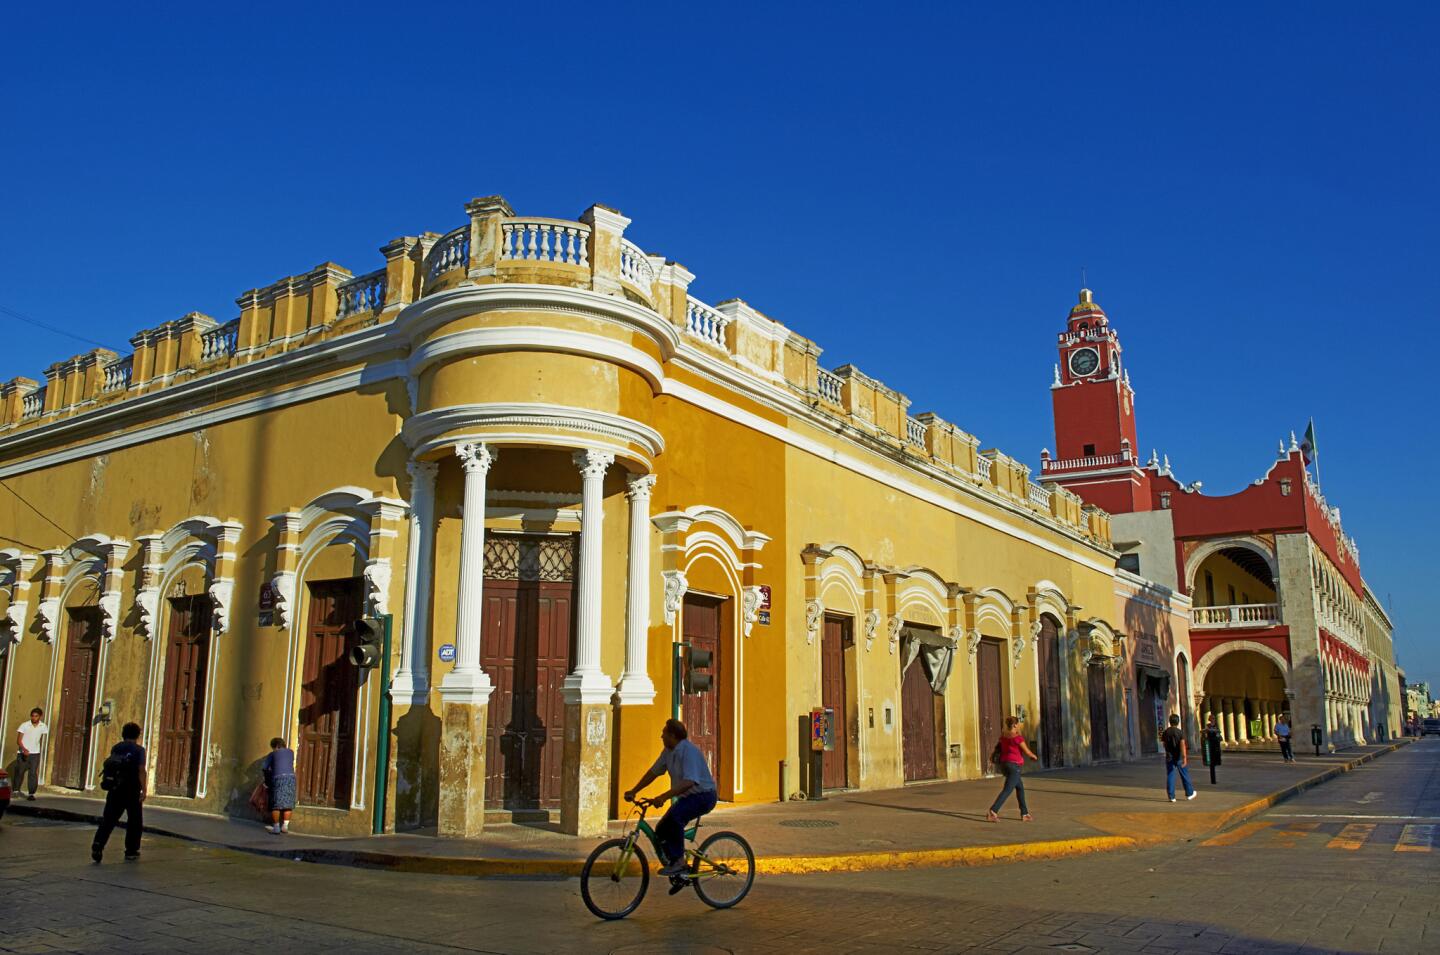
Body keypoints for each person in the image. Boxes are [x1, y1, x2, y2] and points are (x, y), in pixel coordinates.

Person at [623, 718, 717, 877]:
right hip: (688, 796)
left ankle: (679, 862)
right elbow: (653, 772)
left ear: (673, 736)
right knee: (661, 829)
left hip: (704, 796)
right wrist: (634, 790)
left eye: (664, 734)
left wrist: (663, 797)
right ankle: (674, 864)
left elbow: (690, 782)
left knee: (676, 818)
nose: (661, 737)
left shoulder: (689, 752)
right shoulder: (668, 752)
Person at [92, 722, 146, 863]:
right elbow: (141, 770)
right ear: (137, 735)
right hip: (132, 789)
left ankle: (98, 843)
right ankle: (131, 850)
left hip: (115, 788)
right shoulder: (139, 750)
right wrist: (144, 789)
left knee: (108, 819)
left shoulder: (116, 747)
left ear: (124, 734)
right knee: (134, 820)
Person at [986, 716, 1038, 822]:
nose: (1018, 726)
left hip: (1005, 765)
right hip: (1014, 766)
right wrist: (1034, 756)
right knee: (1007, 790)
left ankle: (1025, 813)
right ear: (1015, 725)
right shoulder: (1017, 738)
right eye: (1018, 724)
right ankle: (993, 811)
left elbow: (998, 748)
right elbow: (1028, 752)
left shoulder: (1004, 736)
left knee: (1020, 788)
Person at [261, 737, 297, 834]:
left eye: (273, 748)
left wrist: (267, 781)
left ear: (276, 746)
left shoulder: (272, 754)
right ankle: (285, 826)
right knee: (288, 804)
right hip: (291, 779)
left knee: (275, 805)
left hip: (278, 779)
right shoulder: (291, 752)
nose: (273, 750)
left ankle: (276, 827)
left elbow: (265, 767)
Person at [1161, 714, 1197, 803]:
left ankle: (1171, 796)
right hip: (1179, 757)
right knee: (1184, 775)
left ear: (1170, 721)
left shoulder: (1166, 732)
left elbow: (1164, 744)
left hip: (1169, 757)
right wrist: (1185, 757)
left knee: (1171, 775)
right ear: (1178, 722)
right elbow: (1182, 745)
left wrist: (1168, 751)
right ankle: (1189, 793)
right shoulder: (1180, 732)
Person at [14, 707, 47, 801]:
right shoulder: (24, 725)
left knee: (33, 773)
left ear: (40, 716)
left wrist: (39, 750)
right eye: (32, 716)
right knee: (20, 772)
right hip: (22, 753)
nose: (34, 718)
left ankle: (31, 793)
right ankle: (16, 790)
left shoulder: (43, 726)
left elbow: (42, 739)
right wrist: (24, 749)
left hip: (35, 753)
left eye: (36, 716)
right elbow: (19, 740)